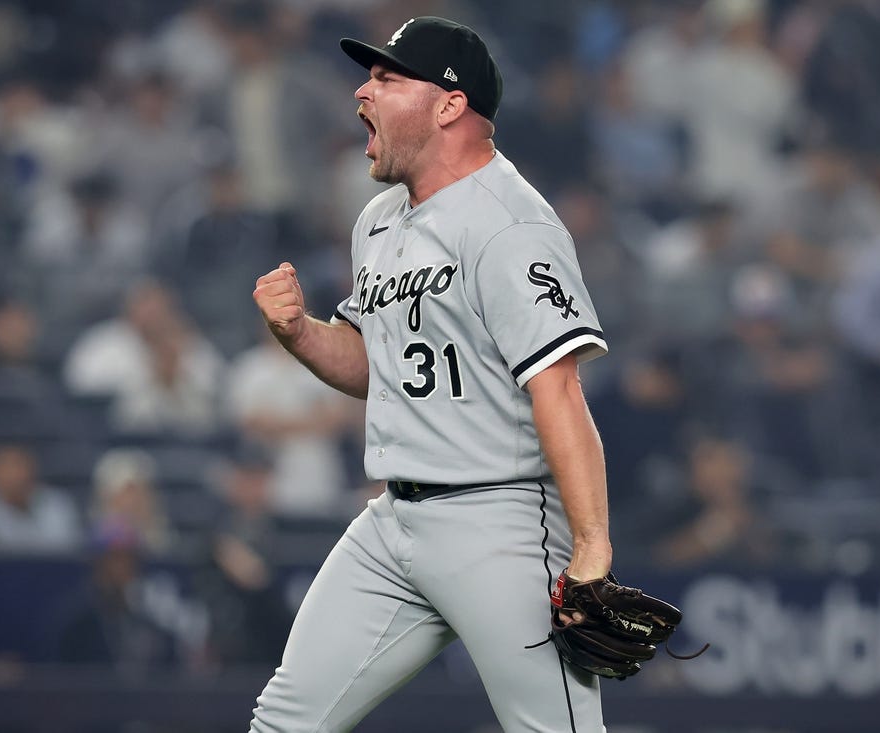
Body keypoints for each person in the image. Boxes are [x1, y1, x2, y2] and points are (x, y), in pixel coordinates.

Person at [250, 17, 612, 732]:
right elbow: (372, 365)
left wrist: (592, 545)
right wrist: (299, 334)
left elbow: (559, 387)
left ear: (449, 104)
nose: (363, 90)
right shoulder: (380, 220)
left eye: (387, 78)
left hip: (499, 517)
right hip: (393, 520)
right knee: (283, 722)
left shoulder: (512, 224)